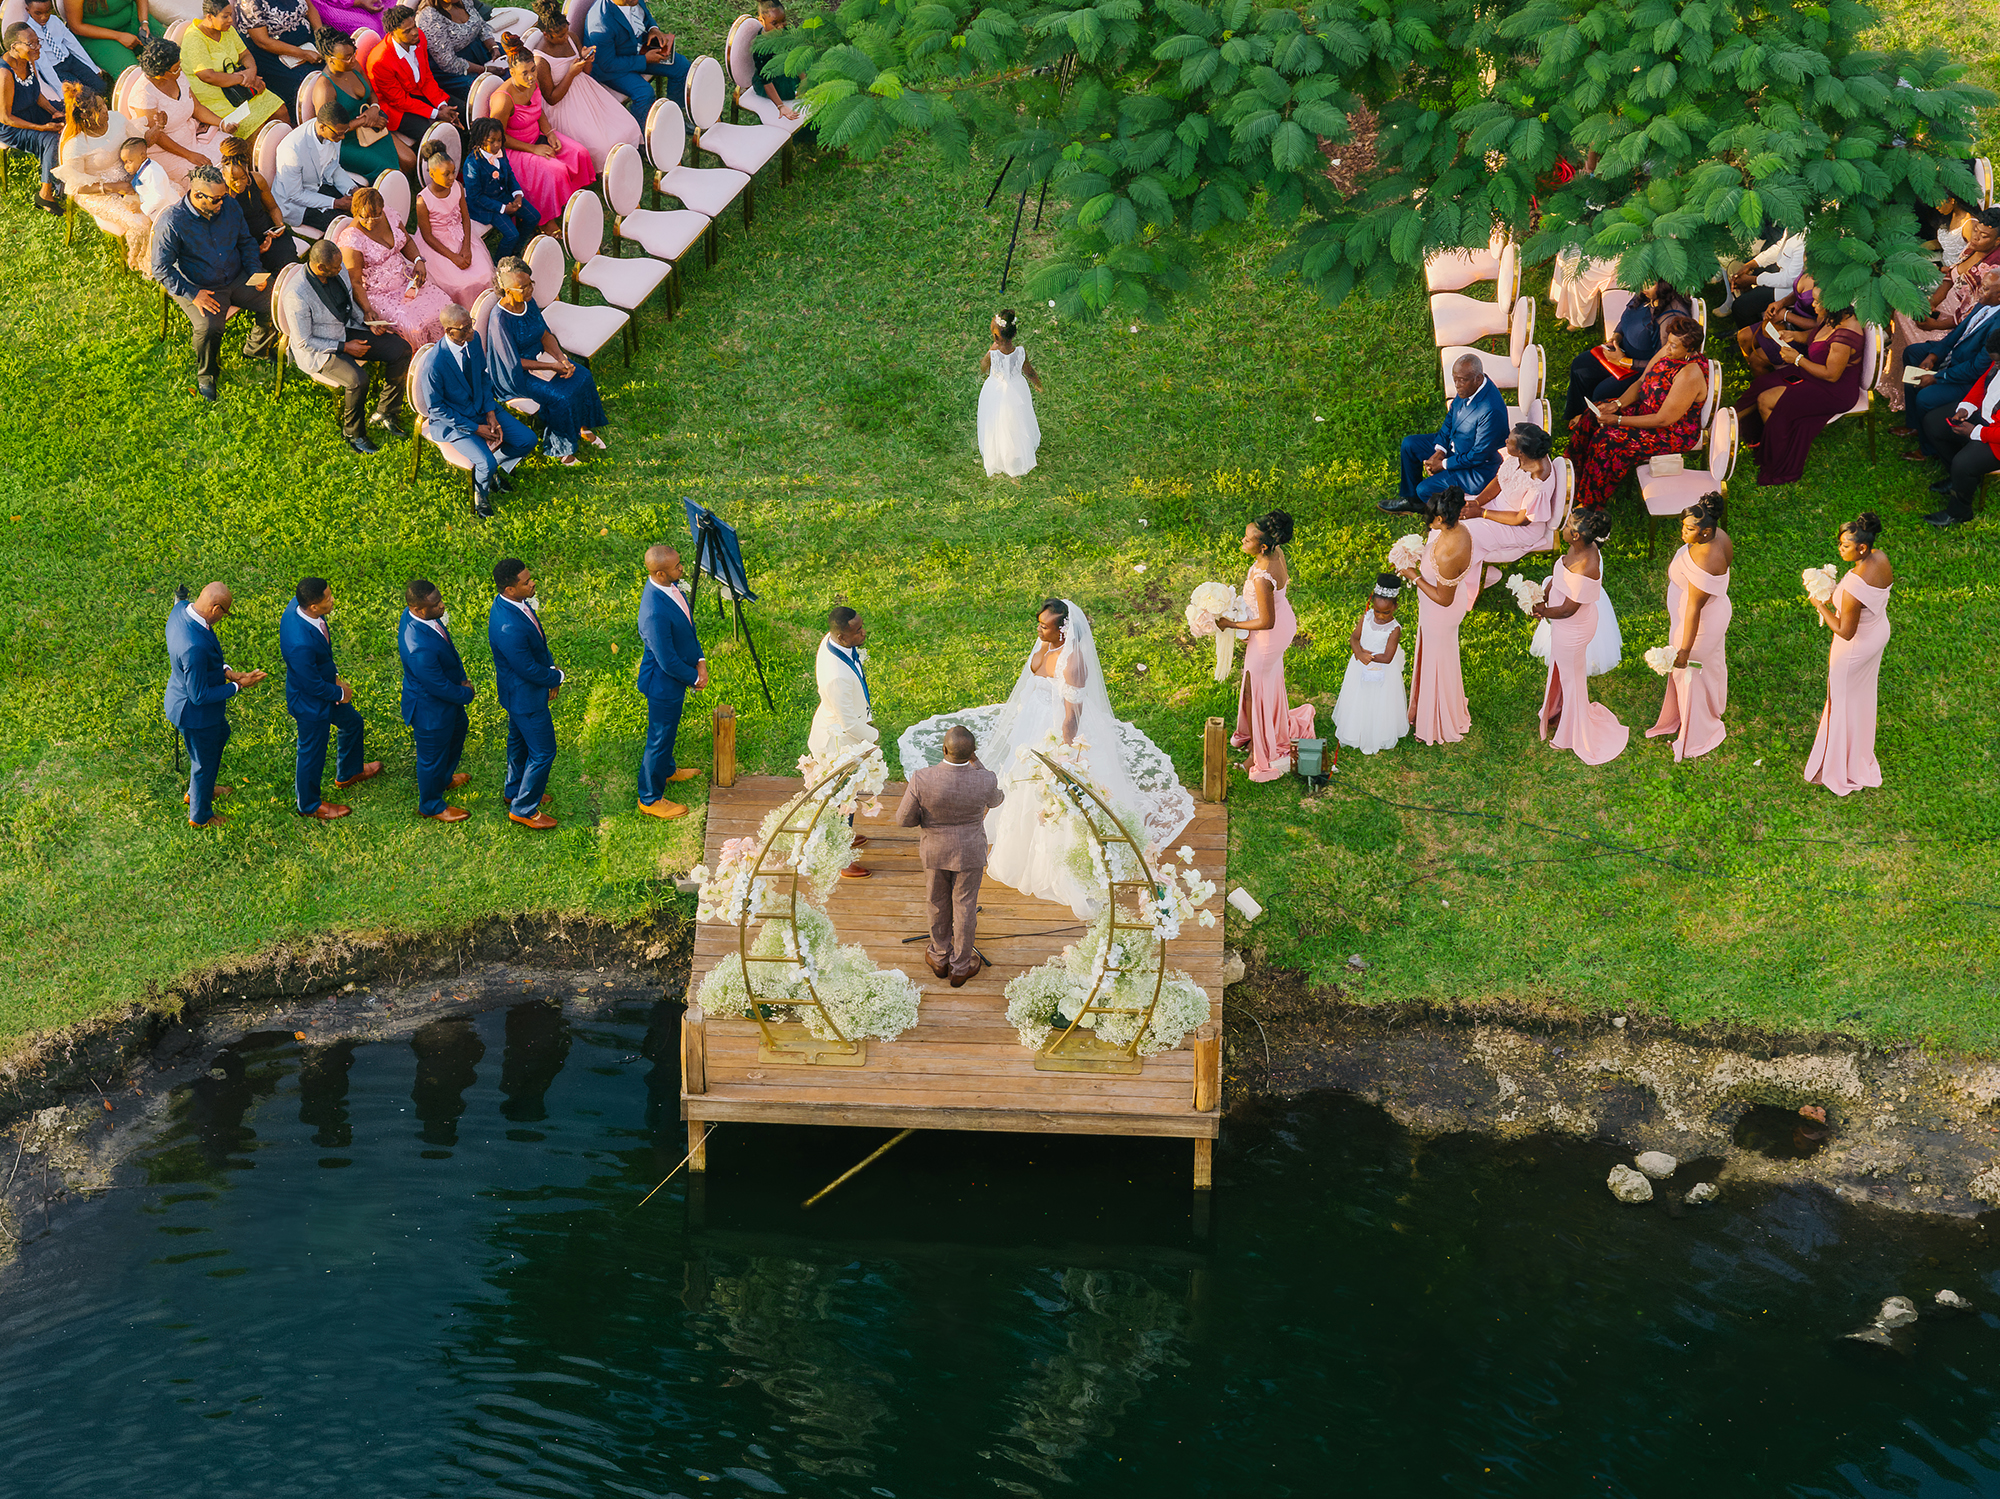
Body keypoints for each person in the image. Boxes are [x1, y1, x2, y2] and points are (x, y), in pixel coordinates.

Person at [897, 598, 1198, 919]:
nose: (1039, 630)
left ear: (1064, 630)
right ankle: (1018, 847)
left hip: (1056, 733)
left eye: (1044, 626)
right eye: (1039, 624)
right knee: (1021, 784)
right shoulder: (1044, 645)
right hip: (1033, 724)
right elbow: (1035, 675)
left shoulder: (1074, 663)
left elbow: (1071, 718)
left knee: (1051, 796)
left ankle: (1061, 865)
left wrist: (1065, 758)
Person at [151, 161, 278, 400]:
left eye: (224, 196)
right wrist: (192, 294)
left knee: (276, 298)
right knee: (209, 328)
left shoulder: (229, 205)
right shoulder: (172, 222)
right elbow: (161, 269)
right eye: (217, 199)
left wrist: (254, 270)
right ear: (198, 195)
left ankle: (257, 348)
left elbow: (246, 241)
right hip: (200, 286)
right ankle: (207, 374)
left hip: (237, 275)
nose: (223, 202)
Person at [896, 725, 1006, 987]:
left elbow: (903, 819)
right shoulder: (985, 779)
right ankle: (961, 967)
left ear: (944, 749)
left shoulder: (922, 778)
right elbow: (997, 800)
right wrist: (978, 765)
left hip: (935, 851)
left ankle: (939, 957)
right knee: (965, 906)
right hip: (970, 852)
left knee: (936, 902)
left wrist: (927, 822)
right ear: (973, 752)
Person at [279, 238, 414, 452]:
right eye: (335, 267)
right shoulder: (297, 295)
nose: (341, 269)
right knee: (358, 380)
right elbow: (304, 341)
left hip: (347, 328)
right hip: (320, 349)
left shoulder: (337, 269)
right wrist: (345, 347)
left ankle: (386, 411)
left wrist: (367, 322)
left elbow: (349, 304)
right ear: (320, 267)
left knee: (401, 349)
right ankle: (353, 433)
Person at [1568, 316, 1707, 508]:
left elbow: (1662, 420)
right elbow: (1641, 381)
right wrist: (1616, 404)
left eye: (1674, 346)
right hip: (1646, 410)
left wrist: (1617, 420)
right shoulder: (1669, 353)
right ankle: (1573, 475)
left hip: (1670, 431)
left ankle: (1589, 503)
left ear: (1690, 350)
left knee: (1607, 440)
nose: (1667, 348)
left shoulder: (1690, 375)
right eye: (1668, 342)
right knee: (1594, 413)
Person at [1216, 509, 1313, 781]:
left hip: (1269, 635)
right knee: (1260, 686)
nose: (1242, 541)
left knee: (1255, 691)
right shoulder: (1275, 553)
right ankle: (1259, 734)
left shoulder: (1262, 577)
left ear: (1263, 546)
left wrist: (1231, 623)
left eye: (1248, 539)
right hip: (1283, 622)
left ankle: (1258, 752)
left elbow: (1266, 622)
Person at [1804, 513, 1893, 796]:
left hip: (1854, 648)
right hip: (1877, 632)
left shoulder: (1855, 585)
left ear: (1862, 548)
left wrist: (1820, 604)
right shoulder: (1880, 557)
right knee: (1861, 697)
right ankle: (1856, 750)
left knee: (1840, 701)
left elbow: (1845, 631)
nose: (1840, 549)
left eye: (1845, 546)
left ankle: (1838, 764)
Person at [165, 581, 267, 827]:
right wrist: (239, 686)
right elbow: (199, 696)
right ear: (216, 608)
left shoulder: (180, 610)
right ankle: (200, 815)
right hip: (194, 714)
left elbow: (206, 665)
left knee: (221, 734)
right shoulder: (194, 647)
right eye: (225, 613)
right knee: (204, 762)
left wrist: (229, 673)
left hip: (185, 699)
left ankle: (201, 789)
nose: (223, 618)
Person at [421, 301, 536, 514]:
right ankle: (480, 493)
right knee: (485, 463)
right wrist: (476, 429)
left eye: (471, 324)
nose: (471, 331)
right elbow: (436, 409)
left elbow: (483, 377)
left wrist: (490, 412)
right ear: (450, 331)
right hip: (455, 422)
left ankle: (493, 468)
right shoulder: (434, 365)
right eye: (465, 328)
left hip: (482, 408)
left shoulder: (473, 341)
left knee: (527, 440)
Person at [1532, 507, 1627, 764]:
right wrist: (1544, 595)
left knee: (1572, 679)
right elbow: (1559, 576)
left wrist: (1542, 610)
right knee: (1562, 671)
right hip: (1565, 624)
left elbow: (1567, 610)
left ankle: (1572, 732)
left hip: (1573, 629)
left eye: (1566, 526)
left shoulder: (1587, 565)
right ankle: (1557, 709)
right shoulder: (1580, 546)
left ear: (1575, 535)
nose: (1562, 528)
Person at [281, 575, 381, 820]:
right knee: (311, 754)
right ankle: (308, 804)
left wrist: (334, 677)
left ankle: (349, 772)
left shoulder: (300, 604)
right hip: (309, 703)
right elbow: (311, 684)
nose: (333, 599)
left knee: (353, 723)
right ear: (313, 606)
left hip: (323, 685)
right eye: (328, 598)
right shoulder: (300, 643)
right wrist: (340, 693)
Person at [488, 259, 607, 463]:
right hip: (517, 375)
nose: (529, 290)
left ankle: (582, 426)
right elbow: (513, 363)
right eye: (523, 287)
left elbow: (544, 334)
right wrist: (552, 366)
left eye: (530, 283)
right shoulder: (499, 320)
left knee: (582, 376)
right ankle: (562, 450)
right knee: (560, 397)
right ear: (507, 290)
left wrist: (561, 357)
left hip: (543, 359)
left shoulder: (528, 302)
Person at [1879, 209, 2000, 407]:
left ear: (1997, 241)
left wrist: (1935, 324)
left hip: (1955, 322)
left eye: (1984, 235)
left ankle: (1927, 381)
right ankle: (1905, 386)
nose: (1976, 237)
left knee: (1912, 329)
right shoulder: (1971, 249)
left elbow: (1972, 315)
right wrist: (1933, 303)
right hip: (1944, 306)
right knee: (1903, 313)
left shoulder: (1992, 273)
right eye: (1976, 231)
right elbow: (1950, 277)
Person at [1645, 494, 1733, 762]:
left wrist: (1684, 650)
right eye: (1683, 526)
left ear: (1705, 531)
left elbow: (1694, 610)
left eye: (1689, 528)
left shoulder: (1704, 560)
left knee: (1688, 675)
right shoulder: (1719, 535)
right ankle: (1713, 705)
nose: (1682, 532)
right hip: (1716, 611)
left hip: (1698, 625)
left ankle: (1697, 732)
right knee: (1710, 665)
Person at [1736, 301, 1862, 487]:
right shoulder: (1834, 316)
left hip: (1833, 391)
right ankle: (1730, 425)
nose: (1814, 304)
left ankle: (1779, 459)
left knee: (1767, 400)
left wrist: (1797, 359)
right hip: (1813, 374)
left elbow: (1831, 375)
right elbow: (1816, 335)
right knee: (1762, 384)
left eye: (1818, 301)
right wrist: (1794, 335)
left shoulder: (1845, 336)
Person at [488, 556, 565, 829]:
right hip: (525, 698)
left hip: (516, 694)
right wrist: (556, 677)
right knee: (543, 752)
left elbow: (538, 645)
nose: (533, 584)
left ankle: (514, 791)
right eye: (526, 582)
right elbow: (527, 668)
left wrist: (550, 667)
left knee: (519, 742)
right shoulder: (508, 626)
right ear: (510, 589)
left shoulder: (510, 603)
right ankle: (523, 808)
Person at [1896, 268, 2000, 461]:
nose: (1978, 291)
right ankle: (1914, 425)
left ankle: (1928, 449)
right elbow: (1957, 333)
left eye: (1985, 288)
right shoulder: (1984, 303)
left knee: (1925, 397)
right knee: (1913, 353)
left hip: (1969, 378)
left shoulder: (1998, 327)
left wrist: (1937, 377)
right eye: (1982, 285)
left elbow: (1977, 368)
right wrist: (1934, 356)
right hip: (1955, 355)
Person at [1399, 486, 1476, 746]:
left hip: (1441, 612)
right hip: (1439, 606)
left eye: (1430, 518)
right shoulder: (1458, 529)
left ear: (1441, 518)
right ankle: (1429, 704)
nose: (1427, 522)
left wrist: (1414, 576)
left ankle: (1436, 720)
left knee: (1438, 661)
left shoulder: (1449, 554)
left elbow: (1444, 599)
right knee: (1438, 658)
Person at [1385, 353, 1509, 514]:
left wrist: (1443, 464)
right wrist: (1440, 451)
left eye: (1461, 380)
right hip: (1455, 447)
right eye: (1454, 379)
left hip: (1475, 469)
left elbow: (1477, 455)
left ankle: (1441, 515)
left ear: (1478, 379)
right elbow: (1450, 420)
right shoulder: (1469, 387)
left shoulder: (1491, 410)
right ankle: (1412, 501)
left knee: (1424, 489)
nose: (1457, 385)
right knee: (1410, 444)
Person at [635, 543, 706, 821]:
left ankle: (666, 770)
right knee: (659, 739)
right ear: (660, 574)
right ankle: (650, 798)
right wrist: (695, 677)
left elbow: (687, 629)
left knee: (667, 734)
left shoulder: (670, 587)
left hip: (673, 678)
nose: (682, 569)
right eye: (677, 567)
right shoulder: (653, 611)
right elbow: (666, 661)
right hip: (662, 685)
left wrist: (700, 659)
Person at [485, 40, 593, 220]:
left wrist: (549, 133)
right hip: (514, 150)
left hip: (538, 135)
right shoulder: (503, 100)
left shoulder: (532, 84)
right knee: (556, 170)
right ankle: (548, 217)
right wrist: (533, 149)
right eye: (525, 73)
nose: (531, 77)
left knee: (580, 152)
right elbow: (498, 139)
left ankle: (576, 199)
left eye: (533, 70)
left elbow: (538, 109)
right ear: (512, 72)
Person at [337, 182, 455, 345]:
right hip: (379, 294)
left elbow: (406, 241)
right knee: (415, 326)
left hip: (406, 280)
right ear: (355, 212)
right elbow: (355, 282)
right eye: (365, 217)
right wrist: (367, 310)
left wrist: (418, 260)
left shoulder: (390, 216)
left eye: (376, 215)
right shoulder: (352, 239)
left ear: (382, 209)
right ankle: (423, 355)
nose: (371, 221)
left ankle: (451, 347)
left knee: (445, 305)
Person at [808, 604, 877, 879]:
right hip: (837, 743)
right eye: (857, 631)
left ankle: (844, 836)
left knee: (847, 795)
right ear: (841, 637)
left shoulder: (833, 641)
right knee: (841, 799)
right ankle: (840, 857)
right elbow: (848, 723)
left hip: (843, 731)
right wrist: (874, 737)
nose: (863, 633)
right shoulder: (836, 676)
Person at [398, 577, 475, 821]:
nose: (442, 606)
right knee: (431, 758)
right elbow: (438, 686)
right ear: (417, 609)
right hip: (430, 711)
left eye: (439, 599)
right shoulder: (418, 648)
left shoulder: (422, 616)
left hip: (447, 702)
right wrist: (467, 693)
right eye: (435, 604)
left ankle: (443, 778)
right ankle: (431, 805)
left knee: (457, 732)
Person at [529, 0, 639, 170]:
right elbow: (551, 99)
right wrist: (571, 74)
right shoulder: (541, 61)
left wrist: (587, 60)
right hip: (563, 105)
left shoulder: (571, 37)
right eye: (560, 36)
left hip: (587, 91)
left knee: (628, 126)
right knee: (601, 145)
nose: (566, 37)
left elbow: (586, 71)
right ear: (547, 35)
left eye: (566, 32)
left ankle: (626, 159)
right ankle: (609, 171)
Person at [1562, 280, 1689, 424]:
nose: (1643, 286)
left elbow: (1663, 361)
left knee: (1602, 392)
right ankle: (1579, 413)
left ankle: (1592, 423)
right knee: (1581, 365)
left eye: (1651, 283)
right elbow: (1626, 319)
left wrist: (1624, 362)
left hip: (1641, 369)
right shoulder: (1646, 295)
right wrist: (1616, 338)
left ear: (1666, 284)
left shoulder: (1671, 317)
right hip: (1621, 352)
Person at [57, 84, 153, 267]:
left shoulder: (116, 119)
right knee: (140, 222)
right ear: (85, 116)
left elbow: (139, 142)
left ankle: (170, 246)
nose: (106, 111)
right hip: (96, 191)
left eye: (104, 105)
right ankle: (144, 262)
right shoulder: (76, 145)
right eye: (100, 110)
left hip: (129, 176)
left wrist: (157, 129)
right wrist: (115, 187)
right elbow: (77, 187)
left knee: (168, 194)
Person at [1461, 421, 1559, 590]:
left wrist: (1482, 513)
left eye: (1510, 440)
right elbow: (1500, 480)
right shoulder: (1521, 456)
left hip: (1520, 526)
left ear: (1520, 451)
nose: (1506, 441)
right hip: (1499, 505)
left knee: (1466, 534)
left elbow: (1523, 519)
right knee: (1458, 512)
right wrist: (1477, 502)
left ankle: (1478, 578)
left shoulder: (1538, 481)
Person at [303, 31, 411, 180]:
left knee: (409, 160)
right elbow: (329, 131)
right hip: (344, 142)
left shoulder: (354, 67)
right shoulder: (324, 88)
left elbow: (371, 93)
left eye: (354, 54)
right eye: (347, 58)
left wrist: (374, 108)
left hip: (370, 127)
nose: (353, 59)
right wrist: (365, 120)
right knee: (392, 172)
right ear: (331, 60)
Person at [1922, 333, 2000, 528]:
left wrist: (1975, 432)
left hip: (1996, 438)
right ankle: (1958, 479)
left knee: (1963, 463)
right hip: (1985, 416)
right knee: (1934, 422)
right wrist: (1966, 407)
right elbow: (1983, 383)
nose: (1996, 366)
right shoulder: (1997, 363)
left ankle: (1959, 512)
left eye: (1998, 362)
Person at [126, 37, 224, 189]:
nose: (181, 69)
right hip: (167, 150)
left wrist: (223, 123)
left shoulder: (177, 75)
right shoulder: (144, 95)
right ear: (160, 74)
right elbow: (157, 137)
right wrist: (190, 155)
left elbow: (196, 108)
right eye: (176, 68)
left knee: (231, 149)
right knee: (207, 179)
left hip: (193, 134)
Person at [180, 0, 286, 139]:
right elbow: (207, 76)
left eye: (230, 15)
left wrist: (251, 72)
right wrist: (244, 79)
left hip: (240, 87)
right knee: (257, 130)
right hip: (216, 98)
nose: (230, 20)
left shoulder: (227, 29)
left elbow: (244, 54)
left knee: (281, 111)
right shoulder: (194, 38)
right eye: (225, 16)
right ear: (210, 17)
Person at [1332, 573, 1407, 756]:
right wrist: (1359, 653)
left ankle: (1379, 732)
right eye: (1377, 610)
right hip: (1360, 665)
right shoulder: (1366, 617)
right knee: (1358, 696)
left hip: (1383, 671)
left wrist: (1369, 657)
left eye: (1386, 612)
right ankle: (1355, 728)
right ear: (1372, 605)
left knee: (1379, 701)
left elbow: (1388, 657)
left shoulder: (1394, 629)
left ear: (1395, 607)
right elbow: (1354, 638)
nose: (1380, 616)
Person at [411, 137, 492, 304]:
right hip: (438, 244)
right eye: (445, 174)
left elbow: (465, 218)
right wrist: (453, 257)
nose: (451, 178)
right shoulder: (423, 200)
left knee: (485, 273)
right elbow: (427, 236)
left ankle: (484, 306)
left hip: (460, 236)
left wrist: (466, 247)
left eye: (453, 172)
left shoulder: (458, 187)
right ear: (432, 174)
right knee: (458, 284)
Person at [581, 0, 684, 130]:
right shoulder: (601, 24)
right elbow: (607, 64)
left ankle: (674, 116)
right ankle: (642, 135)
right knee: (644, 93)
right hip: (611, 68)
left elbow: (645, 16)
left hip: (637, 49)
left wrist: (653, 29)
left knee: (680, 66)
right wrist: (644, 60)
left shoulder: (632, 1)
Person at [366, 4, 460, 140]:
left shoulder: (419, 37)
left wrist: (442, 105)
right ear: (392, 33)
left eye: (414, 26)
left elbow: (426, 76)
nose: (415, 32)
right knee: (435, 134)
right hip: (395, 107)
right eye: (407, 31)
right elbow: (399, 101)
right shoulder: (380, 62)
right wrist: (437, 114)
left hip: (417, 91)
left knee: (459, 111)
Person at [1, 26, 66, 213]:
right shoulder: (4, 74)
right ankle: (45, 193)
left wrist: (54, 111)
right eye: (32, 44)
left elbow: (36, 94)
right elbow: (5, 117)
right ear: (14, 47)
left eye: (38, 42)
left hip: (31, 109)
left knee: (71, 112)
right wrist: (41, 128)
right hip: (12, 126)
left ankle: (68, 167)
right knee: (51, 139)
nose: (38, 47)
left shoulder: (28, 60)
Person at [272, 100, 359, 229]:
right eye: (339, 134)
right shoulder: (292, 150)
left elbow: (333, 168)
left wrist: (353, 189)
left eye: (344, 132)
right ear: (322, 127)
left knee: (364, 200)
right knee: (344, 225)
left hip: (320, 183)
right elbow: (295, 195)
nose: (342, 138)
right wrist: (336, 203)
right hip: (297, 203)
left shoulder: (333, 130)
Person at [977, 307, 1042, 480]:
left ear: (996, 337)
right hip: (1017, 389)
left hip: (995, 391)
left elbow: (984, 367)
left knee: (998, 421)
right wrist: (1038, 384)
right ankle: (1018, 450)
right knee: (1017, 420)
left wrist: (990, 351)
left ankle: (1000, 452)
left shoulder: (993, 353)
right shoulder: (1020, 352)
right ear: (1014, 334)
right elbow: (1029, 371)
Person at [217, 133, 293, 274]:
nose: (239, 184)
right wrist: (256, 250)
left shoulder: (257, 180)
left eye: (243, 177)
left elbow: (273, 207)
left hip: (268, 234)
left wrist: (278, 226)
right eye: (233, 179)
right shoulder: (219, 196)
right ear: (223, 175)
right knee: (259, 276)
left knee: (288, 264)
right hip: (242, 246)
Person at [462, 113, 537, 253]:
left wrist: (517, 195)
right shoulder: (472, 164)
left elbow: (509, 174)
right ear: (480, 140)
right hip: (486, 206)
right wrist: (503, 208)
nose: (497, 145)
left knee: (533, 217)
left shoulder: (500, 152)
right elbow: (475, 197)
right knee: (511, 235)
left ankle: (517, 249)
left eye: (500, 140)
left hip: (504, 196)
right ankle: (500, 261)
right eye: (492, 141)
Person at [415, 0, 501, 103]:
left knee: (513, 59)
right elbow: (447, 61)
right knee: (486, 88)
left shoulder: (463, 1)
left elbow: (481, 25)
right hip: (454, 68)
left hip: (477, 48)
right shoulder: (429, 17)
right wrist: (484, 70)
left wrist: (493, 47)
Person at [66, 0, 163, 82]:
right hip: (98, 35)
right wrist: (119, 36)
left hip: (132, 17)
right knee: (132, 74)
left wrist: (144, 22)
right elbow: (76, 26)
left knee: (167, 46)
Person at [24, 0, 104, 98]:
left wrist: (93, 68)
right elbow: (44, 65)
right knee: (81, 94)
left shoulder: (54, 21)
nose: (44, 17)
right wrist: (60, 91)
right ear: (28, 10)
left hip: (69, 60)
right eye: (38, 13)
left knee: (100, 86)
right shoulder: (29, 32)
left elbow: (73, 44)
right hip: (55, 68)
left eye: (48, 11)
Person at [1722, 229, 1801, 327]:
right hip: (1781, 276)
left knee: (1740, 307)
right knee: (1749, 279)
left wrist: (1753, 280)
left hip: (1790, 291)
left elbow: (1789, 279)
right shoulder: (1795, 225)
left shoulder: (1806, 238)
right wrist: (1751, 264)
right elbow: (1779, 247)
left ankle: (1753, 333)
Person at [747, 0, 802, 124]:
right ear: (761, 21)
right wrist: (781, 106)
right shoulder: (761, 49)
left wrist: (804, 81)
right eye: (775, 23)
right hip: (770, 82)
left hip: (785, 68)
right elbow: (766, 81)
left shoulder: (785, 32)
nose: (781, 26)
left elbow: (795, 58)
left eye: (783, 21)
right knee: (790, 90)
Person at [123, 129, 175, 217]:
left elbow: (159, 197)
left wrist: (141, 208)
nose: (126, 166)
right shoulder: (143, 169)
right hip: (158, 210)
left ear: (142, 156)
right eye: (124, 162)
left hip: (168, 211)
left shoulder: (152, 172)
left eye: (129, 162)